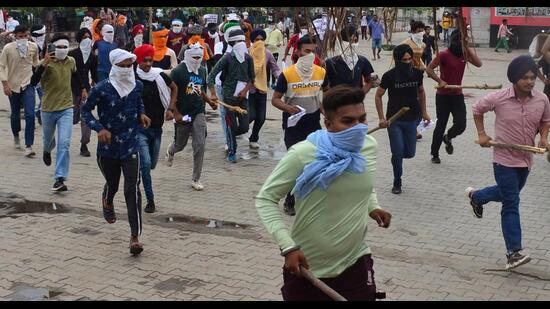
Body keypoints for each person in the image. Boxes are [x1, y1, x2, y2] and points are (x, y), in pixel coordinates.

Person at [256, 85, 392, 301]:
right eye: (348, 121)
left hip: (356, 261)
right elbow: (265, 199)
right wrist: (288, 246)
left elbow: (364, 181)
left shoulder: (369, 146)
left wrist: (372, 206)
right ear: (328, 124)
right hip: (307, 268)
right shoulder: (303, 153)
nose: (358, 128)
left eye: (362, 119)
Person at [467, 55, 550, 270]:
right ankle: (514, 252)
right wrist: (483, 134)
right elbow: (477, 109)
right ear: (514, 78)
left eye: (532, 77)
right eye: (524, 78)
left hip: (525, 159)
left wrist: (543, 138)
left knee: (507, 193)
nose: (529, 82)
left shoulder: (542, 99)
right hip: (503, 160)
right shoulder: (499, 98)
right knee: (511, 202)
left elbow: (545, 120)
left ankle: (476, 196)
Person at [81, 48, 151, 256]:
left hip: (131, 145)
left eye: (130, 66)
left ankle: (135, 236)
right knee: (113, 183)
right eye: (123, 66)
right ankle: (107, 198)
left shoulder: (137, 85)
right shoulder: (101, 88)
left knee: (132, 189)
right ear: (114, 66)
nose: (127, 70)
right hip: (107, 149)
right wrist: (99, 128)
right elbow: (85, 111)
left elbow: (138, 102)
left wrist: (142, 114)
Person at [271, 35, 328, 216]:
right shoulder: (287, 74)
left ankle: (310, 200)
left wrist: (327, 113)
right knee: (296, 164)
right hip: (293, 125)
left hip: (313, 124)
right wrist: (288, 107)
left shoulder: (321, 72)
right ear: (297, 51)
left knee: (314, 164)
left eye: (313, 51)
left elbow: (325, 95)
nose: (310, 55)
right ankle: (290, 200)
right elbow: (275, 99)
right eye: (306, 51)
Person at [374, 44, 431, 194]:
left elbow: (421, 92)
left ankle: (397, 157)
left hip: (413, 119)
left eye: (409, 59)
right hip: (394, 120)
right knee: (398, 151)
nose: (407, 62)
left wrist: (424, 112)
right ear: (397, 60)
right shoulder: (389, 76)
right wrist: (381, 118)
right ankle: (397, 181)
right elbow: (378, 95)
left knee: (410, 153)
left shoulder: (417, 74)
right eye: (404, 59)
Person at [31, 34, 80, 191]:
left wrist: (83, 90)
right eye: (59, 47)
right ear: (52, 47)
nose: (62, 50)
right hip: (48, 109)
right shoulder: (45, 63)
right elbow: (33, 82)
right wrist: (43, 65)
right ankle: (46, 150)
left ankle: (59, 178)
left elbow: (75, 77)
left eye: (65, 47)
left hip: (66, 108)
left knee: (64, 143)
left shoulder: (71, 62)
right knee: (48, 140)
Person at [166, 43, 217, 190]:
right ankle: (171, 150)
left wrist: (210, 102)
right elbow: (171, 94)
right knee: (180, 144)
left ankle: (196, 179)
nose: (197, 60)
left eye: (199, 58)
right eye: (194, 57)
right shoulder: (178, 72)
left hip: (198, 112)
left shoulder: (202, 70)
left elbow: (199, 90)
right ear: (188, 56)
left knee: (200, 144)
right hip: (183, 114)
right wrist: (176, 113)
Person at [426, 30, 482, 164]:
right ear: (454, 41)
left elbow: (479, 64)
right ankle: (435, 153)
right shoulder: (443, 54)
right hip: (443, 96)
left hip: (457, 95)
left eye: (465, 41)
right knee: (441, 124)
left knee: (461, 124)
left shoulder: (465, 54)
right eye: (462, 41)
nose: (463, 43)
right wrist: (439, 81)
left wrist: (467, 46)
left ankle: (448, 137)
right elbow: (429, 69)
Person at [133, 44, 177, 212]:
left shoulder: (159, 75)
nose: (149, 64)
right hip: (140, 129)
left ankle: (141, 170)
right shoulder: (132, 77)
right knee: (145, 164)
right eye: (145, 61)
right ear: (138, 60)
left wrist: (171, 109)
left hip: (157, 128)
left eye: (151, 60)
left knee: (151, 164)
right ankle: (150, 200)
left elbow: (174, 88)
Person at [0, 25, 39, 156]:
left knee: (30, 114)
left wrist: (45, 64)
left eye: (25, 36)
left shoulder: (33, 47)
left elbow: (36, 63)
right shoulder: (8, 49)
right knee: (15, 114)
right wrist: (5, 85)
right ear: (15, 36)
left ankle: (29, 145)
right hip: (13, 86)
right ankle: (16, 136)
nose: (23, 39)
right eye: (20, 36)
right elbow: (2, 67)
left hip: (28, 84)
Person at [248, 29, 281, 149]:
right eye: (257, 39)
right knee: (251, 116)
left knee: (261, 118)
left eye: (262, 39)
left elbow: (275, 68)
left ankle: (253, 138)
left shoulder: (267, 54)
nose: (260, 42)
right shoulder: (247, 53)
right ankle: (236, 130)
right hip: (249, 90)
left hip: (262, 89)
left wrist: (281, 78)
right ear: (252, 40)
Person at [69, 27, 98, 157]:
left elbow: (94, 73)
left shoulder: (92, 57)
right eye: (84, 37)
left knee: (86, 117)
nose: (87, 40)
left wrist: (97, 86)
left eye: (89, 37)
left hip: (86, 90)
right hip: (72, 89)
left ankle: (84, 144)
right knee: (72, 117)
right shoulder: (72, 54)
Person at [325, 25, 375, 93]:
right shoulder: (331, 63)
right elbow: (325, 87)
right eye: (350, 41)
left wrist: (360, 95)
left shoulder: (362, 61)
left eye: (355, 41)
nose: (353, 44)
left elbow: (369, 81)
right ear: (341, 41)